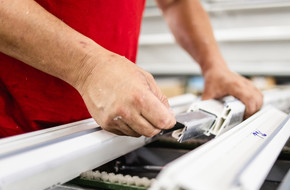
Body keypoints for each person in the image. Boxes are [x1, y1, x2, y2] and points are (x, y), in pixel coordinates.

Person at [0, 0, 263, 138]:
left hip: (111, 133)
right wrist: (88, 67)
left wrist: (213, 66)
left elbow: (175, 2)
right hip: (14, 133)